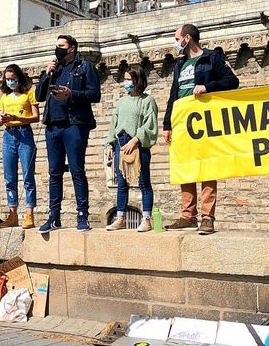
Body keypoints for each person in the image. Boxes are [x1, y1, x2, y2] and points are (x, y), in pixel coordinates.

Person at [163, 24, 239, 235]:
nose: (175, 43)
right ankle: (188, 216)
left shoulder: (211, 58)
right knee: (185, 166)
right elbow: (173, 95)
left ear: (188, 38)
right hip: (181, 122)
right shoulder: (179, 64)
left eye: (177, 38)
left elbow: (232, 81)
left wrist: (207, 87)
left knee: (207, 167)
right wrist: (167, 124)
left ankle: (207, 217)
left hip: (204, 121)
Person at [35, 34, 101, 233]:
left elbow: (95, 94)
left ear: (71, 48)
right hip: (53, 125)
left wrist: (70, 94)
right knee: (54, 172)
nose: (58, 49)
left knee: (76, 170)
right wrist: (46, 74)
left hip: (75, 124)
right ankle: (54, 216)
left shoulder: (85, 67)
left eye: (61, 46)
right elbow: (38, 96)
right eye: (56, 46)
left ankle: (82, 215)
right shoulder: (54, 70)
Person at [105, 66, 158, 232]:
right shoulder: (122, 101)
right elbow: (114, 124)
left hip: (137, 143)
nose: (125, 82)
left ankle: (147, 218)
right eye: (125, 79)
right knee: (121, 182)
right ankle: (120, 217)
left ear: (137, 80)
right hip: (121, 143)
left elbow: (150, 124)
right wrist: (110, 144)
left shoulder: (147, 100)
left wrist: (136, 140)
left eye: (129, 79)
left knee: (143, 181)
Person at [0, 64, 39, 229]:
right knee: (9, 177)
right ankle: (12, 213)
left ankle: (29, 214)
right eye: (7, 79)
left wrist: (17, 118)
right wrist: (2, 120)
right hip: (9, 135)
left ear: (19, 78)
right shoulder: (5, 97)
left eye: (12, 79)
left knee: (28, 176)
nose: (10, 82)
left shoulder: (29, 94)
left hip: (24, 134)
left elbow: (35, 117)